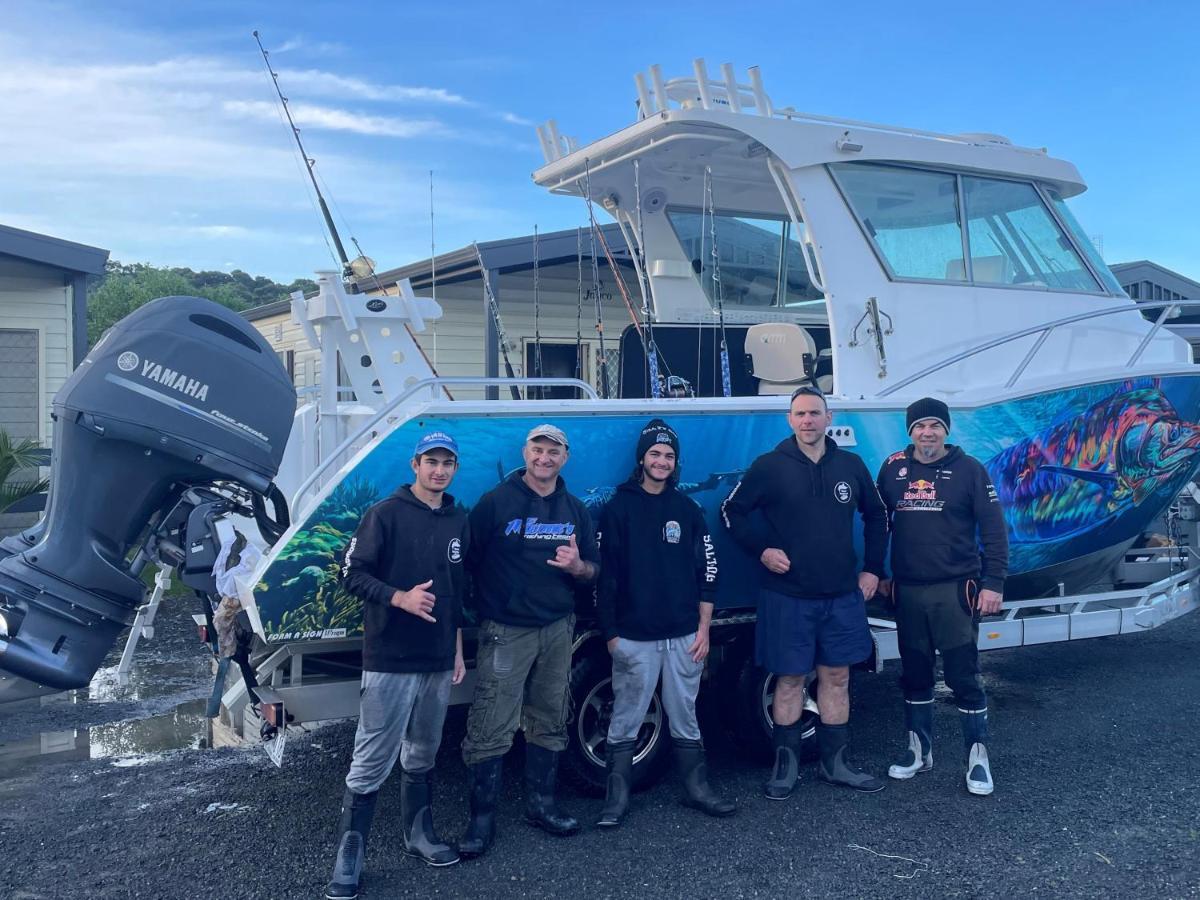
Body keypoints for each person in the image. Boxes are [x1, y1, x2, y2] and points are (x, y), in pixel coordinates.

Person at [721, 386, 888, 799]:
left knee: (837, 676)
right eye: (800, 414)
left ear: (829, 418)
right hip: (787, 595)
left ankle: (836, 764)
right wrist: (762, 550)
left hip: (841, 595)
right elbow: (731, 512)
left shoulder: (850, 464)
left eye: (815, 413)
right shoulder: (769, 466)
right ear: (790, 420)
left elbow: (878, 514)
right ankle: (785, 767)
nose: (808, 421)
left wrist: (872, 570)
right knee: (790, 679)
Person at [326, 431, 469, 900]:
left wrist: (457, 647)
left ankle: (419, 835)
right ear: (415, 465)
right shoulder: (383, 514)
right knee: (369, 761)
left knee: (423, 753)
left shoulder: (458, 518)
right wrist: (398, 597)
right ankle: (350, 854)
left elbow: (456, 590)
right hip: (389, 657)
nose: (439, 470)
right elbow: (350, 574)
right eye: (432, 461)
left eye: (447, 463)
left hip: (437, 659)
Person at [459, 424, 599, 857]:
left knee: (550, 717)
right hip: (506, 630)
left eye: (553, 451)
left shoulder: (575, 509)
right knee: (491, 724)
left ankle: (542, 805)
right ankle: (480, 822)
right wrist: (486, 608)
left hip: (558, 629)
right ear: (525, 453)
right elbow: (467, 559)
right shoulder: (494, 503)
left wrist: (578, 567)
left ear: (565, 457)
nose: (544, 458)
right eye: (537, 449)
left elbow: (594, 570)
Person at [594, 418, 736, 828]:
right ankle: (615, 799)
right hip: (633, 636)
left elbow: (708, 572)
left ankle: (697, 789)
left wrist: (704, 629)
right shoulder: (617, 508)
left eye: (669, 455)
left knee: (685, 713)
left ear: (676, 463)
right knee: (626, 716)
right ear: (641, 459)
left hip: (685, 635)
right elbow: (607, 577)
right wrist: (611, 635)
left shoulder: (687, 509)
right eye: (654, 454)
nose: (661, 461)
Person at [875, 397, 1008, 796]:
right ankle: (919, 752)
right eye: (920, 426)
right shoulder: (893, 468)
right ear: (910, 430)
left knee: (963, 677)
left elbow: (994, 529)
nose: (927, 432)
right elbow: (876, 523)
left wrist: (994, 583)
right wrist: (878, 573)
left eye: (935, 425)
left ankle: (977, 759)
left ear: (946, 430)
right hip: (909, 590)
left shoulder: (970, 470)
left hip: (956, 589)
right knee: (915, 675)